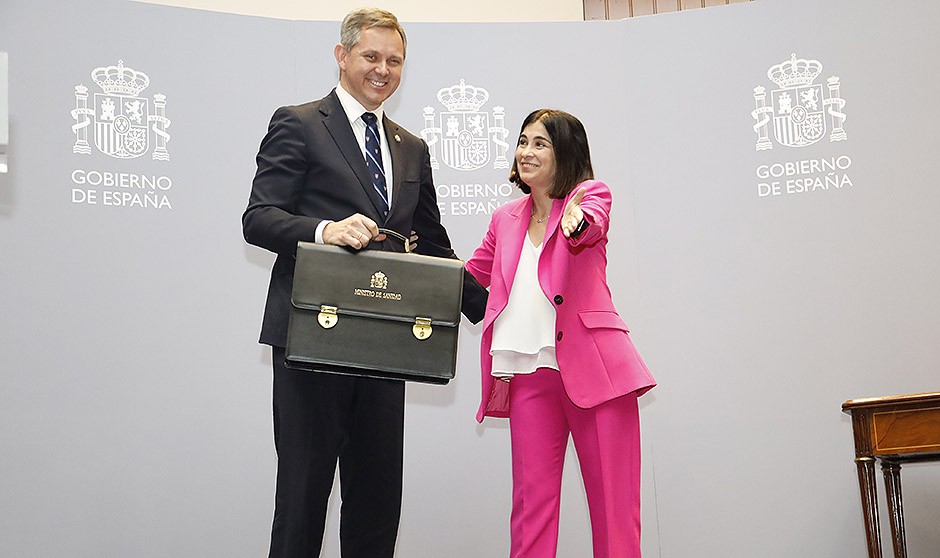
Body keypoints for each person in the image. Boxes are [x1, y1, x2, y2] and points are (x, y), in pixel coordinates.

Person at [242, 8, 485, 558]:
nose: (382, 70)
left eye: (394, 61)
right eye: (371, 56)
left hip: (385, 343)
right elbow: (259, 218)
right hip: (312, 340)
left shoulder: (411, 146)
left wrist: (491, 308)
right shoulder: (299, 123)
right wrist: (324, 230)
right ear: (342, 55)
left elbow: (433, 245)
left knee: (377, 504)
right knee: (303, 498)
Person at [465, 109, 657, 558]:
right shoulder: (504, 218)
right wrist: (411, 265)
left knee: (614, 512)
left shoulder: (590, 196)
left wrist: (576, 221)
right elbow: (471, 276)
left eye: (541, 143)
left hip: (597, 374)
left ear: (565, 153)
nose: (526, 152)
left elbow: (592, 221)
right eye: (523, 141)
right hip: (529, 377)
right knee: (530, 511)